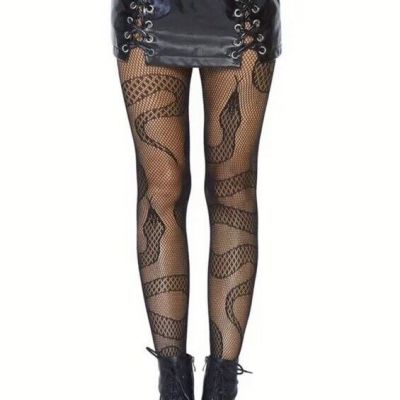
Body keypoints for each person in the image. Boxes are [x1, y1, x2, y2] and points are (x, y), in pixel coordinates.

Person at [112, 0, 281, 398]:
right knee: (161, 187)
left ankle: (222, 386)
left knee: (233, 188)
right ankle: (173, 387)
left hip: (240, 12)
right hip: (149, 12)